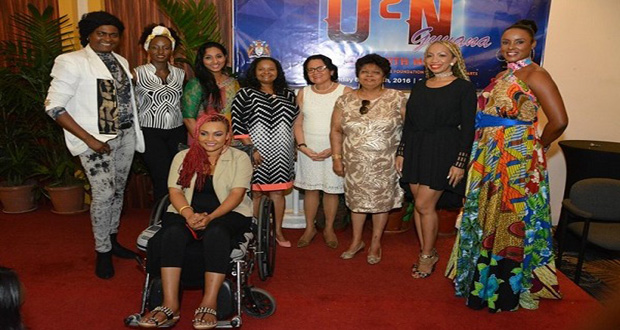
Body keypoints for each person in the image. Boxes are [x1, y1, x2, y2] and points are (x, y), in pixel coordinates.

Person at [449, 19, 568, 312]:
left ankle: (505, 288)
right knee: (488, 214)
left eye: (519, 42)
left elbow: (560, 121)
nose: (511, 47)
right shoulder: (504, 74)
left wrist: (538, 146)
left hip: (514, 157)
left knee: (508, 217)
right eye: (506, 42)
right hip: (490, 154)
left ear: (532, 45)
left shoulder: (536, 74)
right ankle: (480, 277)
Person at [44, 11, 144, 279]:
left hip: (125, 137)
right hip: (94, 142)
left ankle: (112, 240)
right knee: (102, 194)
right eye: (101, 33)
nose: (108, 39)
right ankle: (102, 252)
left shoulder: (120, 60)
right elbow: (54, 107)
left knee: (118, 191)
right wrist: (90, 140)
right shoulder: (71, 61)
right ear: (88, 34)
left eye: (113, 34)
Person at [138, 113, 253, 329]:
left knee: (217, 232)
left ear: (228, 136)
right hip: (186, 210)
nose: (211, 139)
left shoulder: (240, 158)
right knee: (172, 234)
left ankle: (209, 302)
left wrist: (210, 217)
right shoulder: (182, 157)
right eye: (205, 133)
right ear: (196, 134)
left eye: (218, 134)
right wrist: (188, 214)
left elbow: (236, 195)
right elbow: (174, 190)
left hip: (228, 211)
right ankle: (170, 304)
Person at [395, 41, 476, 278]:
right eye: (430, 55)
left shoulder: (463, 88)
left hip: (444, 149)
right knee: (419, 207)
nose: (435, 59)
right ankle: (425, 251)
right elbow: (409, 124)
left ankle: (427, 255)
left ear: (453, 60)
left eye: (442, 55)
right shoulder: (420, 86)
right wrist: (402, 151)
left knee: (424, 205)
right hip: (417, 150)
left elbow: (468, 129)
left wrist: (460, 161)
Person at [330, 54, 407, 264]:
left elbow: (410, 130)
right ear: (358, 75)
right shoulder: (344, 100)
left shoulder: (397, 98)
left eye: (376, 72)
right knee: (356, 203)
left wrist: (402, 154)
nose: (369, 76)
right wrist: (337, 157)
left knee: (381, 204)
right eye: (365, 72)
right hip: (354, 162)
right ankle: (356, 241)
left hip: (386, 162)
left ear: (384, 76)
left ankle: (375, 243)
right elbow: (336, 131)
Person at [231, 57, 299, 247]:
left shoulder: (288, 95)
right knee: (256, 193)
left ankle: (277, 232)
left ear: (278, 72)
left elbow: (293, 123)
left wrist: (293, 147)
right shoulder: (245, 94)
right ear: (254, 71)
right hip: (256, 151)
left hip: (282, 153)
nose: (266, 72)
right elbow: (238, 124)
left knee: (278, 192)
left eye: (271, 69)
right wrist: (251, 149)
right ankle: (254, 232)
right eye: (261, 69)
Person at [293, 55, 352, 248]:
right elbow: (298, 124)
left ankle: (328, 229)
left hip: (334, 150)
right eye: (310, 70)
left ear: (331, 70)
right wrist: (303, 147)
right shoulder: (303, 93)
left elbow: (350, 126)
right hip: (308, 151)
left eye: (320, 68)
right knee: (310, 190)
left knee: (331, 191)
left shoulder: (345, 92)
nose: (315, 73)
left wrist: (335, 149)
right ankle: (309, 228)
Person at [135, 24, 186, 202]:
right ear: (147, 48)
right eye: (155, 47)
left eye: (165, 47)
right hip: (150, 131)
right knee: (161, 174)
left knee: (179, 175)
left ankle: (177, 214)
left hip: (177, 130)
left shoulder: (180, 74)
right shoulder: (137, 74)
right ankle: (161, 217)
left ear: (172, 49)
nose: (160, 51)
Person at [183, 42, 240, 139]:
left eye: (219, 56)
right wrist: (204, 142)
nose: (215, 61)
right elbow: (188, 118)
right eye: (208, 58)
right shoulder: (196, 84)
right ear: (202, 60)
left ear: (225, 57)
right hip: (205, 141)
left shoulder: (234, 83)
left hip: (231, 140)